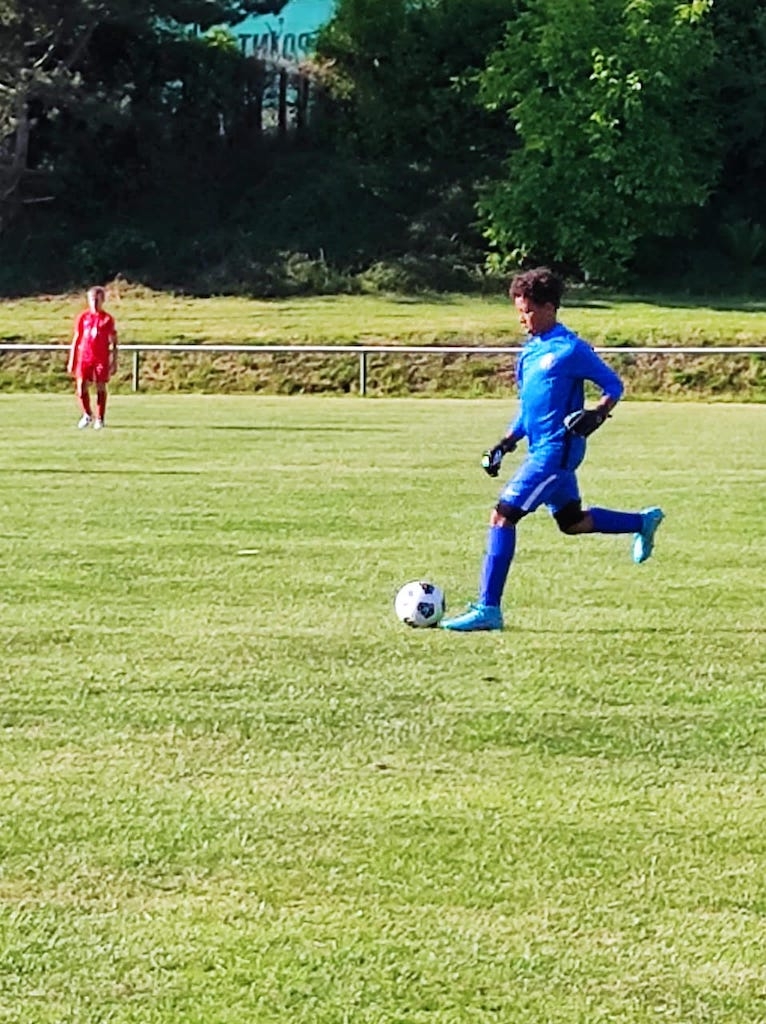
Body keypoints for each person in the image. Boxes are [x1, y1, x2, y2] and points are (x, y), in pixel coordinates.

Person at [440, 266, 664, 632]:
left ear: (549, 307)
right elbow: (530, 410)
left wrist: (597, 413)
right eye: (519, 311)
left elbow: (614, 385)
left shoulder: (570, 349)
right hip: (539, 450)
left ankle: (488, 609)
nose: (522, 319)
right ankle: (642, 521)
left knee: (502, 517)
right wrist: (506, 442)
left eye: (528, 311)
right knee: (573, 523)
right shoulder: (529, 353)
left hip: (556, 453)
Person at [67, 285, 118, 429]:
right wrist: (72, 359)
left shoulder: (107, 319)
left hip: (101, 358)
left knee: (100, 386)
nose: (94, 303)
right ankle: (87, 414)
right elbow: (77, 339)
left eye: (97, 299)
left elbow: (114, 342)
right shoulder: (83, 318)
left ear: (102, 300)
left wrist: (114, 361)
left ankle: (100, 418)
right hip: (85, 356)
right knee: (81, 386)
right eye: (92, 299)